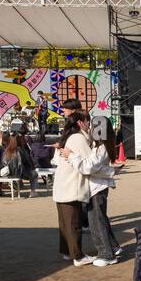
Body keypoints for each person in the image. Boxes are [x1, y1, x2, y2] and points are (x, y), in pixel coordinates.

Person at [67, 115, 121, 266]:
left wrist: (71, 156)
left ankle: (106, 254)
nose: (91, 128)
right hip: (97, 186)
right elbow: (96, 168)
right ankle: (113, 247)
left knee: (96, 222)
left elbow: (89, 167)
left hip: (97, 188)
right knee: (99, 220)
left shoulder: (100, 146)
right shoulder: (100, 145)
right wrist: (111, 172)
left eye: (93, 126)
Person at [53, 110, 95, 266]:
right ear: (80, 123)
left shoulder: (68, 137)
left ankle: (67, 252)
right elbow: (90, 162)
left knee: (65, 224)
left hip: (62, 185)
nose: (89, 125)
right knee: (73, 223)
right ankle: (78, 256)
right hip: (71, 186)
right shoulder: (78, 138)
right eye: (87, 121)